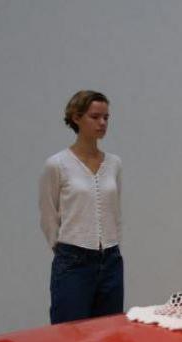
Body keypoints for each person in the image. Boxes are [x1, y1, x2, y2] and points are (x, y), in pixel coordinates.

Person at [39, 90, 124, 324]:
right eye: (95, 117)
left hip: (111, 259)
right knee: (70, 334)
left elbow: (115, 211)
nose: (102, 123)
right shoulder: (57, 164)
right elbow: (48, 214)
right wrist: (63, 249)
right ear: (76, 118)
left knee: (110, 335)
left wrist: (113, 244)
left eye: (106, 117)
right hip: (73, 259)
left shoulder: (114, 163)